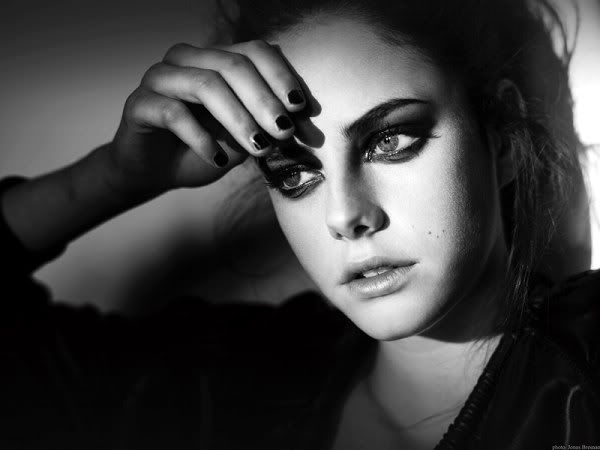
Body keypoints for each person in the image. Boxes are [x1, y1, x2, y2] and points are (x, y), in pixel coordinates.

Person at [1, 0, 599, 448]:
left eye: (390, 141)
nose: (345, 216)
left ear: (501, 138)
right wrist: (110, 178)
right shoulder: (228, 391)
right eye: (294, 173)